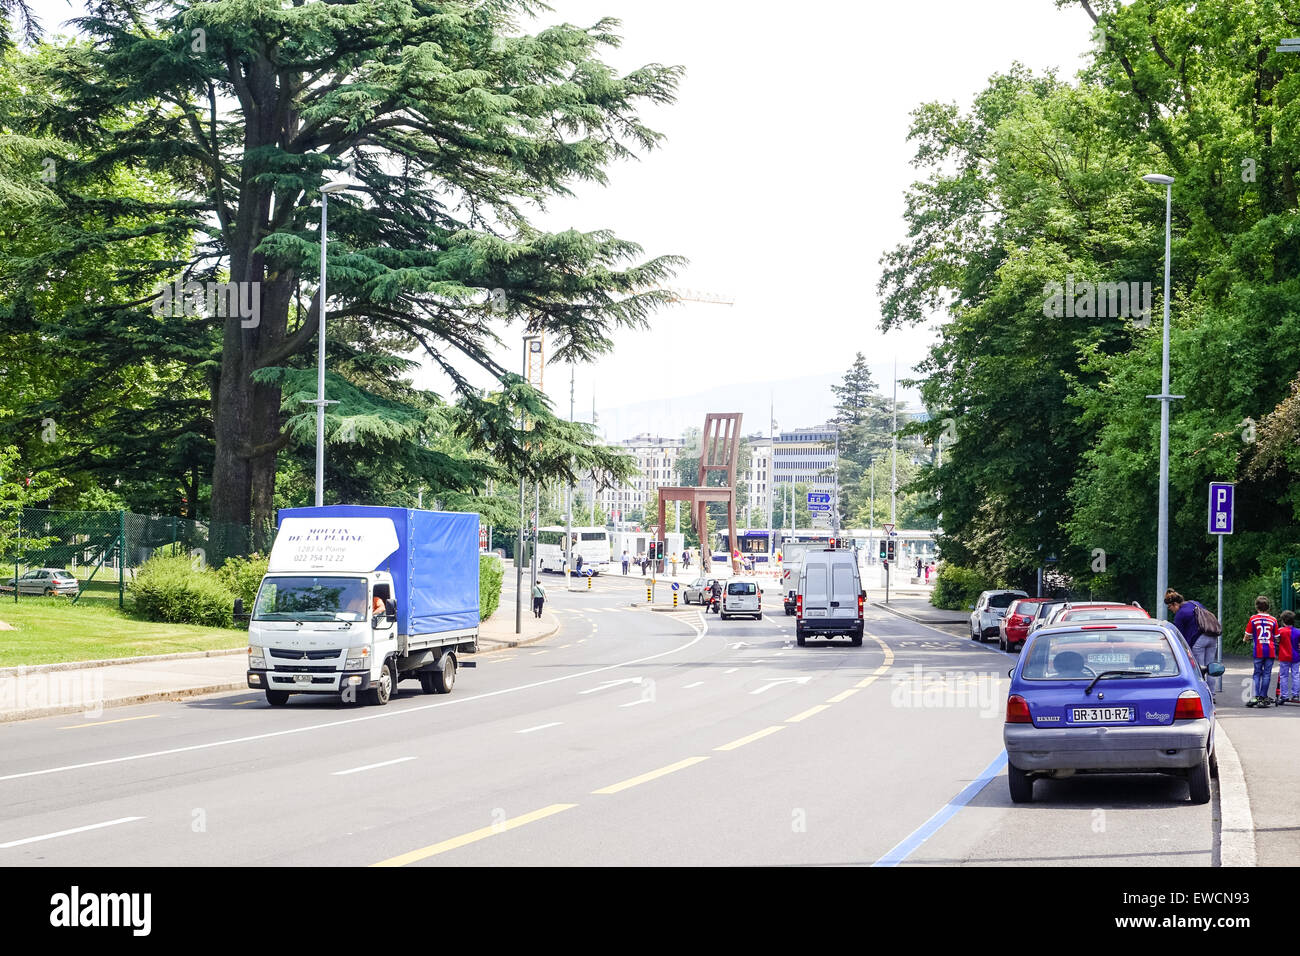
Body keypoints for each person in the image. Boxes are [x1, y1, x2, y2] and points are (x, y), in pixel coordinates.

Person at [1165, 589, 1215, 670]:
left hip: (1198, 641)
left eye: (1169, 607)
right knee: (1211, 669)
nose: (1170, 609)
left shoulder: (1179, 615)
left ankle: (1201, 683)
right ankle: (1212, 683)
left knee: (1199, 670)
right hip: (1211, 636)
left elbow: (1180, 636)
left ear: (1175, 604)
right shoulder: (1194, 603)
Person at [1245, 595, 1279, 708]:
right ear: (1268, 607)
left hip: (1258, 649)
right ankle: (1263, 696)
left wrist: (1246, 639)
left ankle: (1256, 696)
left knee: (1257, 673)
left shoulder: (1253, 619)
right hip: (1270, 650)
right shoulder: (1273, 620)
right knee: (1267, 674)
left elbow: (1247, 635)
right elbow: (1277, 637)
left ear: (1256, 607)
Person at [1277, 610, 1298, 704]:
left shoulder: (1280, 631)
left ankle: (1284, 695)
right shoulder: (1298, 632)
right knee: (1296, 675)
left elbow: (1276, 640)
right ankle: (1295, 695)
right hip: (1296, 657)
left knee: (1283, 676)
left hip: (1284, 657)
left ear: (1283, 621)